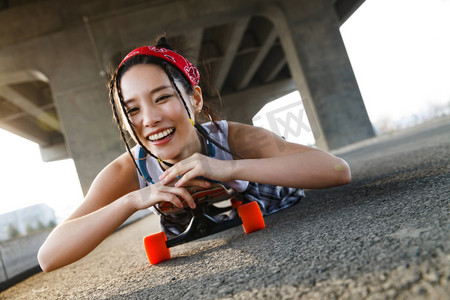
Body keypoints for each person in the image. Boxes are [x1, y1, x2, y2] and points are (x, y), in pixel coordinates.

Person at [37, 36, 351, 272]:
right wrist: (132, 200)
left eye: (162, 98)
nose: (149, 119)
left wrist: (227, 169)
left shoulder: (232, 138)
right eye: (132, 110)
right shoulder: (131, 169)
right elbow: (49, 256)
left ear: (195, 99)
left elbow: (337, 170)